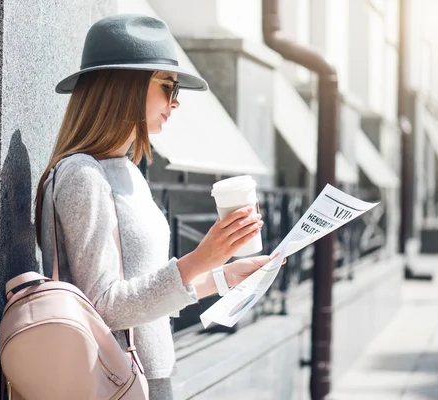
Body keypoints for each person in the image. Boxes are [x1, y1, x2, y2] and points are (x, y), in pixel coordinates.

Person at [34, 14, 282, 399]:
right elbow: (105, 305)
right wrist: (202, 257)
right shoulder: (82, 175)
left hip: (150, 375)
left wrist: (227, 275)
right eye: (168, 86)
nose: (176, 102)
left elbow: (150, 293)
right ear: (125, 87)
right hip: (111, 380)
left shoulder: (129, 172)